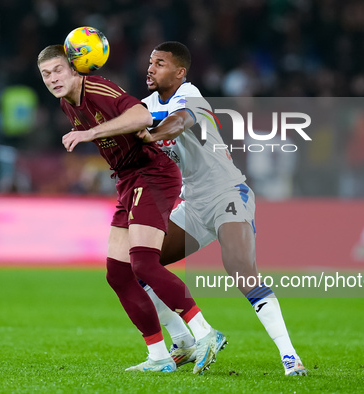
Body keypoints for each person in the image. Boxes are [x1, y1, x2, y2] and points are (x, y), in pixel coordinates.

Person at [37, 44, 226, 374]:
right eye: (45, 74)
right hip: (128, 179)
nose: (53, 79)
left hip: (152, 174)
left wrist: (90, 133)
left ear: (74, 68)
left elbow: (141, 113)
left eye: (57, 70)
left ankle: (206, 333)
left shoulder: (97, 88)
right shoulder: (67, 101)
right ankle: (160, 356)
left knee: (144, 264)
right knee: (118, 273)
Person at [137, 42, 307, 376]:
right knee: (141, 264)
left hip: (227, 193)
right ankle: (183, 342)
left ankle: (290, 357)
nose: (151, 68)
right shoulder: (145, 105)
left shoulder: (190, 96)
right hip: (193, 204)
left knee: (241, 270)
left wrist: (149, 135)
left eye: (160, 63)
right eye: (150, 62)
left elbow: (178, 123)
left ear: (180, 72)